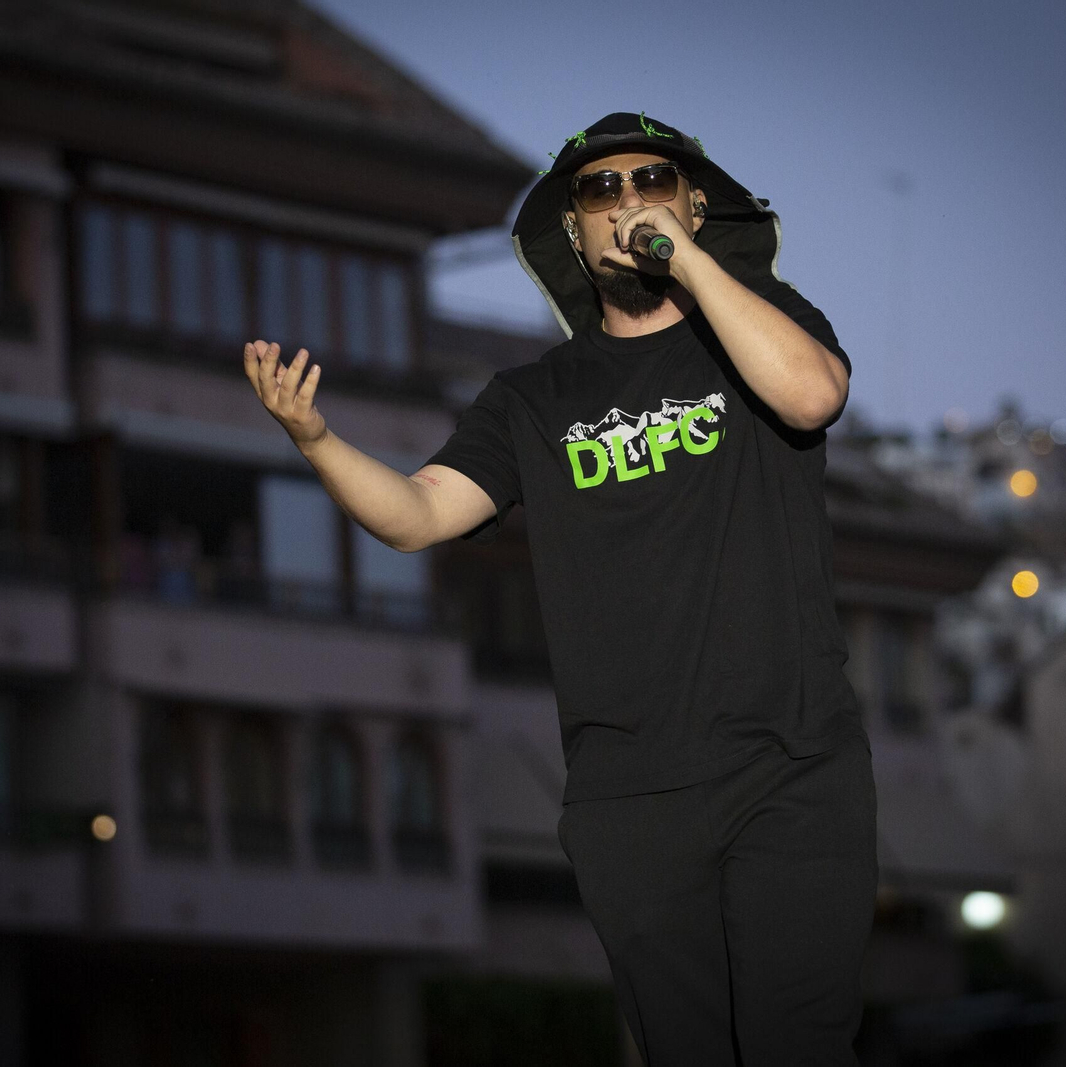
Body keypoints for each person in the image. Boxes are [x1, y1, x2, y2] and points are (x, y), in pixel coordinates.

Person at [244, 110, 876, 1066]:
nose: (628, 202)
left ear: (695, 207)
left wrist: (687, 262)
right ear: (574, 231)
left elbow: (812, 395)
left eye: (653, 182)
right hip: (630, 793)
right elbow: (417, 515)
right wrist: (317, 441)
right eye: (600, 189)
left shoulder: (767, 326)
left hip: (791, 765)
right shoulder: (531, 400)